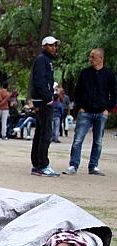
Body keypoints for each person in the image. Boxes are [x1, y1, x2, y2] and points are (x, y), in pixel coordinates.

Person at [63, 48, 117, 176]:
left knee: (98, 141)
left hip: (101, 112)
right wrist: (79, 106)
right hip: (85, 111)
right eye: (90, 57)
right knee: (78, 139)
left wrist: (108, 109)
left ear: (100, 58)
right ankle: (73, 165)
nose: (90, 59)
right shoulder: (85, 73)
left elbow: (114, 94)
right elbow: (77, 92)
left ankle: (93, 166)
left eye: (93, 57)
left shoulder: (109, 75)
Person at [29, 36, 60, 177]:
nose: (54, 48)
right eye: (51, 45)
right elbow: (39, 81)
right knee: (45, 133)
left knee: (41, 132)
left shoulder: (47, 61)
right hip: (43, 101)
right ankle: (42, 164)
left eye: (55, 45)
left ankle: (37, 163)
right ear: (44, 46)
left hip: (43, 99)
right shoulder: (42, 60)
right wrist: (48, 97)